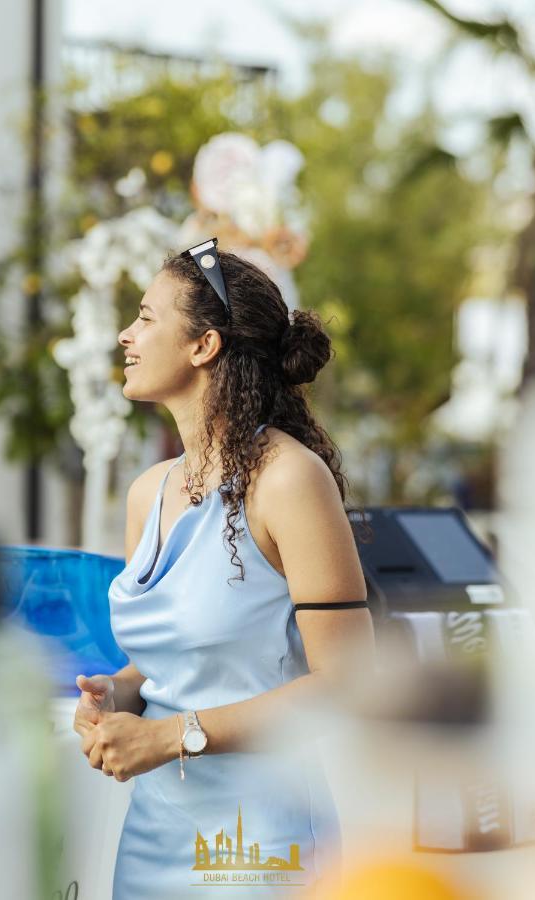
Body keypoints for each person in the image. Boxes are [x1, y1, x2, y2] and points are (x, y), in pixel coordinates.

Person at [73, 237, 376, 899]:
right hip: (152, 841)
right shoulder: (147, 492)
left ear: (203, 346)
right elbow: (168, 666)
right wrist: (116, 695)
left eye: (147, 317)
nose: (126, 334)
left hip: (261, 847)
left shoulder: (289, 480)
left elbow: (350, 681)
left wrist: (172, 735)